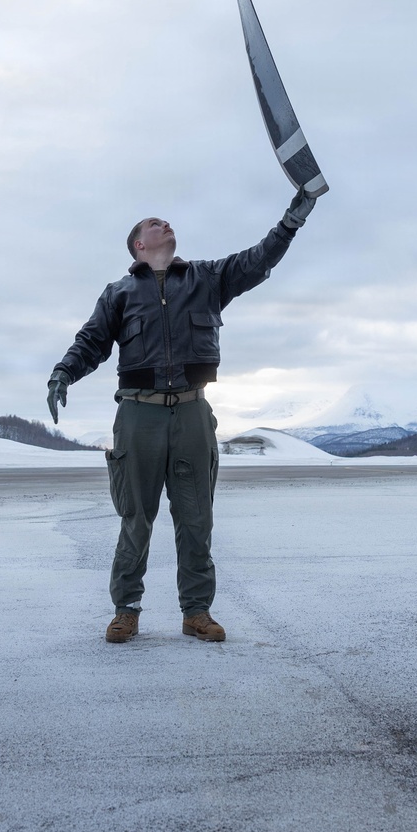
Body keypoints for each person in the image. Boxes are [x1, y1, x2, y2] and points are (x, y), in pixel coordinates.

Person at [47, 187, 320, 643]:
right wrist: (62, 374)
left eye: (167, 221)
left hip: (193, 412)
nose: (165, 225)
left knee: (196, 517)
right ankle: (126, 610)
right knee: (136, 515)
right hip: (139, 415)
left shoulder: (206, 278)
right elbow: (91, 341)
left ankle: (197, 611)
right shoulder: (119, 293)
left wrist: (290, 222)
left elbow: (257, 260)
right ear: (139, 244)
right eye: (155, 224)